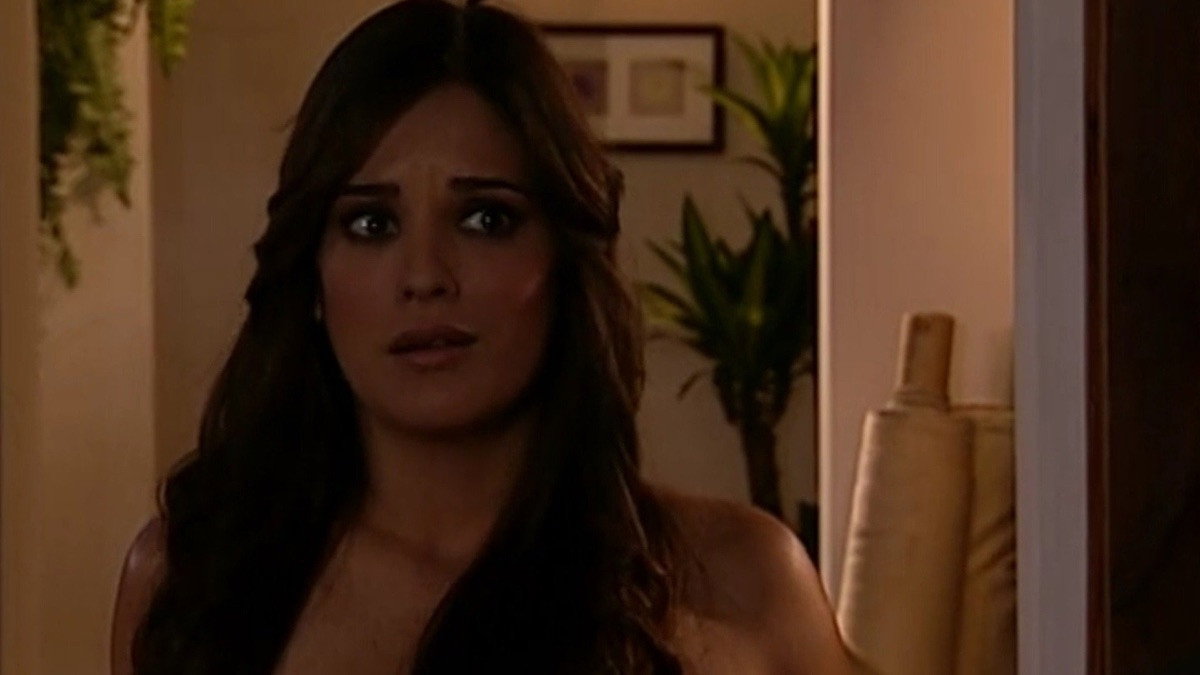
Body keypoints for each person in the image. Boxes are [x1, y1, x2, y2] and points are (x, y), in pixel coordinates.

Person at [111, 1, 852, 672]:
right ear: (312, 271)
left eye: (486, 219)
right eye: (371, 223)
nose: (425, 275)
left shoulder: (739, 584)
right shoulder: (193, 581)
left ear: (564, 257)